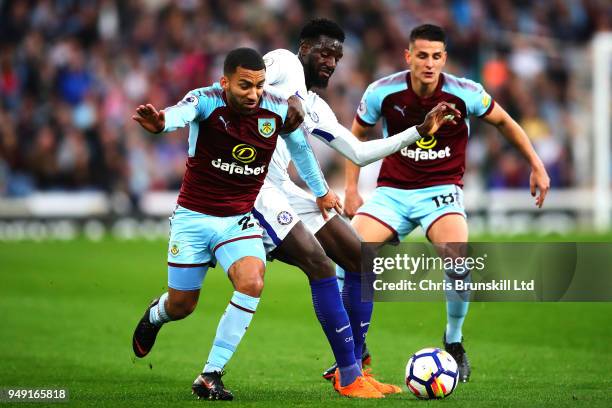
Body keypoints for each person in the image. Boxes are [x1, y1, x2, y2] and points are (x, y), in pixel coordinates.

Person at [253, 18, 460, 397]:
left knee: (362, 260)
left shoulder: (316, 107)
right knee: (320, 265)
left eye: (337, 56)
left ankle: (353, 366)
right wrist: (287, 98)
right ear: (303, 48)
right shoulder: (281, 62)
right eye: (324, 52)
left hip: (287, 189)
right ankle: (349, 376)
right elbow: (251, 82)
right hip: (253, 188)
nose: (331, 62)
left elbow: (359, 152)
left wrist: (419, 131)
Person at [342, 24, 551, 382]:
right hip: (392, 191)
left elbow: (504, 121)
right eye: (421, 55)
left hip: (441, 191)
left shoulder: (465, 92)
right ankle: (354, 349)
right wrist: (350, 188)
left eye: (436, 56)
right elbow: (354, 136)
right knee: (347, 252)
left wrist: (536, 164)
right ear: (408, 56)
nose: (429, 63)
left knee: (457, 256)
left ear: (445, 58)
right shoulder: (383, 91)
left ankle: (453, 340)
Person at [130, 47, 337, 401]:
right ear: (225, 82)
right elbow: (181, 113)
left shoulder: (276, 109)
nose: (254, 93)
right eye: (245, 86)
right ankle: (156, 315)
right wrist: (161, 122)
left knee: (252, 281)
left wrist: (320, 192)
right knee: (183, 305)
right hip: (193, 219)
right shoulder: (207, 100)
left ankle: (210, 375)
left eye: (258, 85)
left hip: (237, 221)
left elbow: (301, 150)